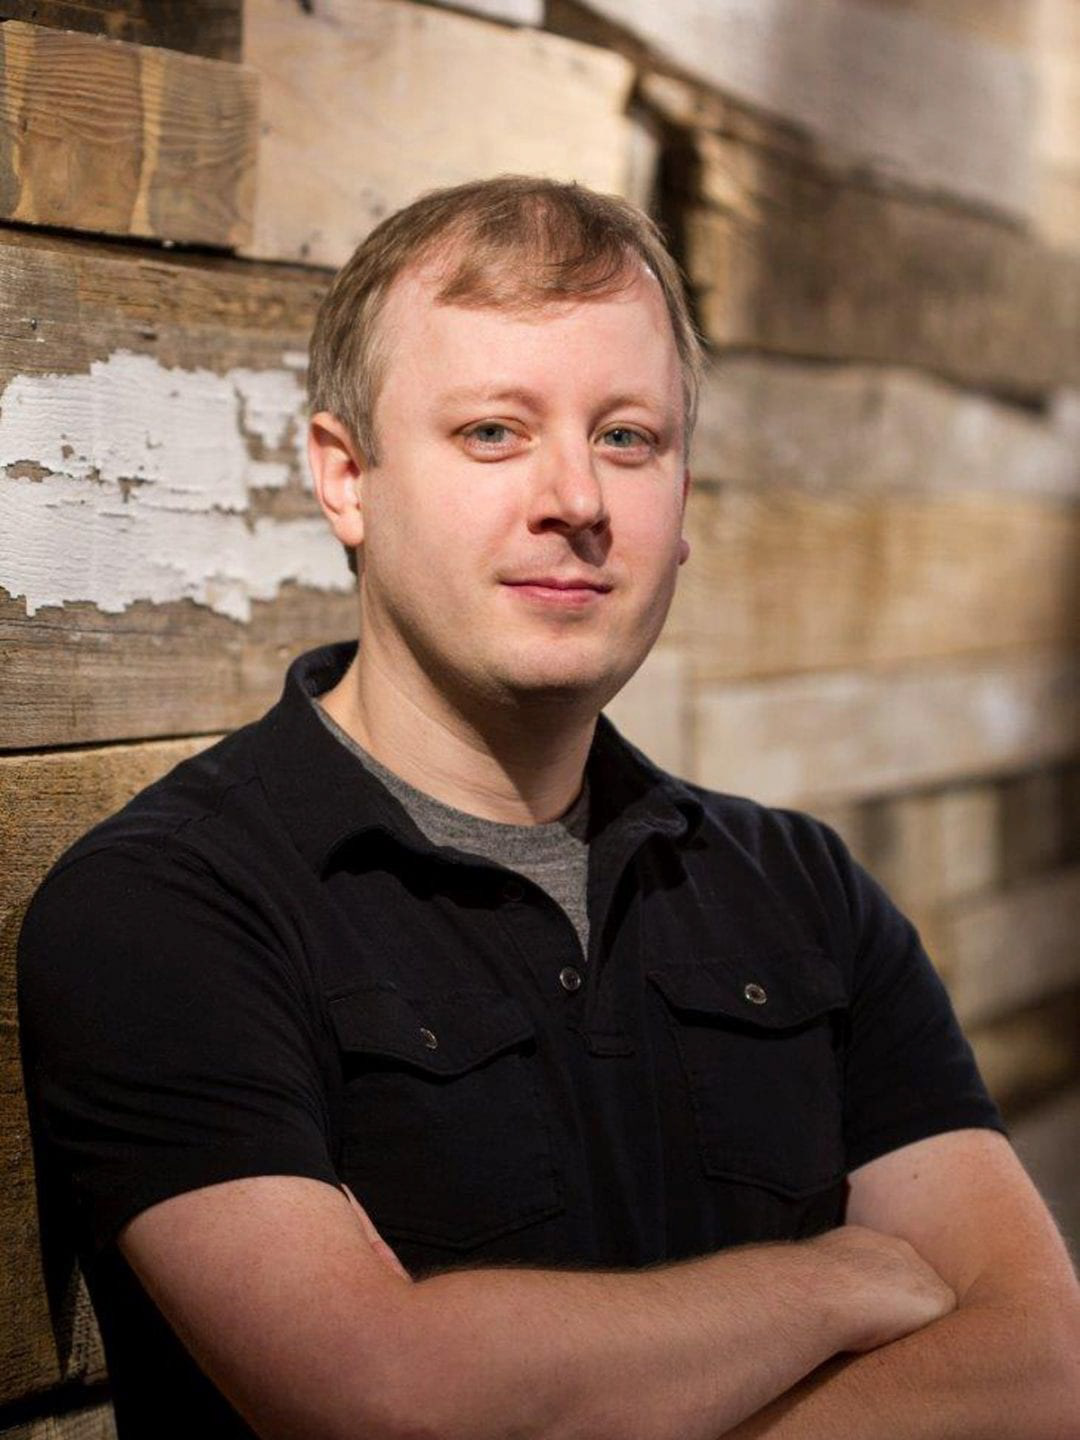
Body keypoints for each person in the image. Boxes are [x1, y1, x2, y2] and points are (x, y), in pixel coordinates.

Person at [17, 176, 1079, 1440]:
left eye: (627, 438)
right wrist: (832, 1282)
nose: (576, 499)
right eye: (493, 432)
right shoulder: (171, 911)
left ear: (683, 497)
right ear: (346, 478)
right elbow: (382, 1401)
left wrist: (540, 1391)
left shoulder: (803, 892)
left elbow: (1041, 1367)